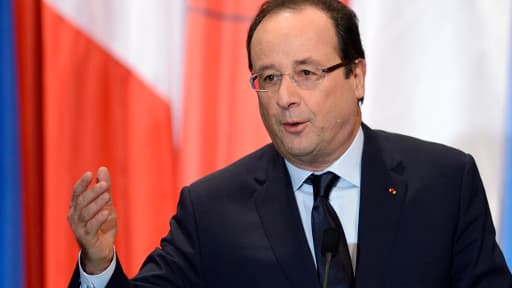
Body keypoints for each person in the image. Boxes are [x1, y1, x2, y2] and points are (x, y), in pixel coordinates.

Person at [67, 0, 512, 287]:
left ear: (356, 76)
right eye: (269, 78)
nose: (285, 98)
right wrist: (99, 264)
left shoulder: (444, 183)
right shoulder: (212, 209)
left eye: (307, 73)